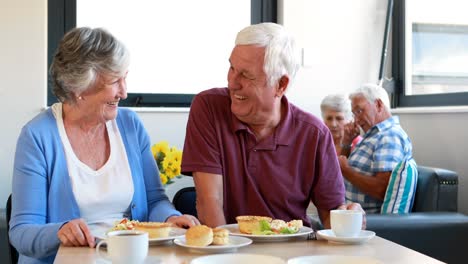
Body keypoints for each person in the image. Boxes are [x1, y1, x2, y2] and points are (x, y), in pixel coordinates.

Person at [9, 27, 199, 263]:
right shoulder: (37, 136)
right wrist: (60, 231)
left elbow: (154, 201)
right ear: (80, 88)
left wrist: (170, 217)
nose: (124, 92)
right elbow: (21, 232)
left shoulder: (130, 125)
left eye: (125, 78)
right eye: (114, 81)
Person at [181, 22, 365, 229]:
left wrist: (349, 217)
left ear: (281, 85)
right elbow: (209, 200)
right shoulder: (208, 107)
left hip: (292, 253)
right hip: (230, 249)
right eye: (232, 68)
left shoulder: (314, 133)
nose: (232, 82)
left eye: (246, 75)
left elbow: (331, 216)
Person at [338, 83, 415, 213]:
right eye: (354, 114)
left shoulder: (389, 136)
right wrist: (346, 142)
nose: (356, 120)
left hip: (365, 219)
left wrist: (347, 171)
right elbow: (342, 165)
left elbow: (381, 189)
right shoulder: (373, 136)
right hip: (347, 211)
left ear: (379, 105)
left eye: (359, 111)